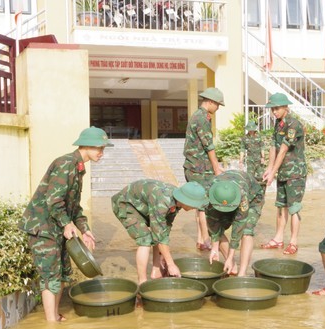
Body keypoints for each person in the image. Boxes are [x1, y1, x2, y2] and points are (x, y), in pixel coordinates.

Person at [19, 126, 112, 322]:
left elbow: (74, 207)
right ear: (85, 146)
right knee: (50, 277)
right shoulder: (65, 164)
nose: (101, 153)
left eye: (103, 148)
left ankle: (54, 316)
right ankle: (50, 325)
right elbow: (54, 200)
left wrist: (85, 230)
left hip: (58, 229)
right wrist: (66, 224)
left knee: (63, 275)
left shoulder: (78, 168)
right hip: (43, 228)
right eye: (99, 148)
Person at [111, 180, 208, 285]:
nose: (195, 208)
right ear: (186, 200)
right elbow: (159, 235)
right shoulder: (163, 201)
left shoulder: (177, 201)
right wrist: (171, 264)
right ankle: (142, 282)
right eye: (194, 205)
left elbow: (164, 229)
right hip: (126, 204)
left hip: (144, 206)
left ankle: (156, 271)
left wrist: (164, 256)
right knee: (145, 239)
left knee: (158, 235)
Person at [261, 93, 307, 255]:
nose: (274, 111)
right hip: (283, 173)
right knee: (281, 207)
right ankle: (278, 238)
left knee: (294, 208)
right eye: (273, 108)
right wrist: (269, 167)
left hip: (295, 174)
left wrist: (273, 172)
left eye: (277, 108)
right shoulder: (278, 124)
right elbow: (274, 146)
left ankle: (293, 242)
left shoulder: (293, 125)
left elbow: (284, 150)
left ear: (286, 107)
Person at [182, 87, 225, 251]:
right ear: (211, 102)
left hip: (194, 167)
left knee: (199, 204)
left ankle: (201, 239)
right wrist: (216, 167)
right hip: (199, 168)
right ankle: (206, 240)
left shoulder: (199, 116)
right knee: (204, 205)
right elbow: (209, 146)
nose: (218, 108)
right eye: (218, 105)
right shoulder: (201, 119)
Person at [206, 170, 264, 276]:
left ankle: (242, 273)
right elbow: (212, 221)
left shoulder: (243, 196)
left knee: (246, 231)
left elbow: (239, 226)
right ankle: (232, 265)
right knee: (216, 231)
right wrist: (214, 248)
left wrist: (231, 255)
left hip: (253, 199)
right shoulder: (209, 192)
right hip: (223, 197)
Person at [239, 120, 267, 195]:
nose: (251, 131)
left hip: (259, 160)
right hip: (250, 160)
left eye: (252, 129)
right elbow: (242, 149)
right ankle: (251, 193)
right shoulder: (244, 138)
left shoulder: (259, 136)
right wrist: (241, 161)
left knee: (262, 177)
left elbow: (262, 147)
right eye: (249, 129)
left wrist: (263, 157)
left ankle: (262, 193)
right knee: (250, 177)